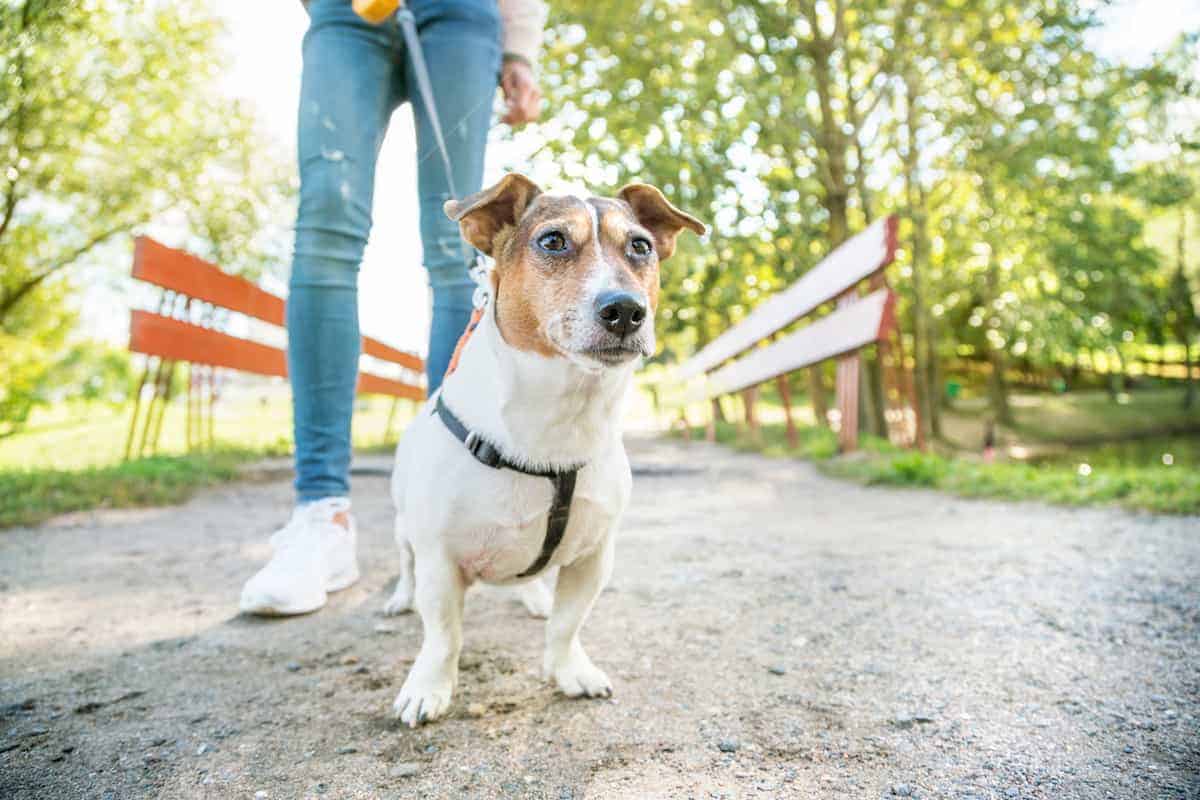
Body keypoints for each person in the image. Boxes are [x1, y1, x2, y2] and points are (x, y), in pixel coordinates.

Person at [240, 0, 547, 616]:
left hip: (460, 14)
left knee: (456, 236)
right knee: (325, 223)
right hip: (345, 12)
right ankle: (322, 516)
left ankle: (462, 505)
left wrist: (520, 46)